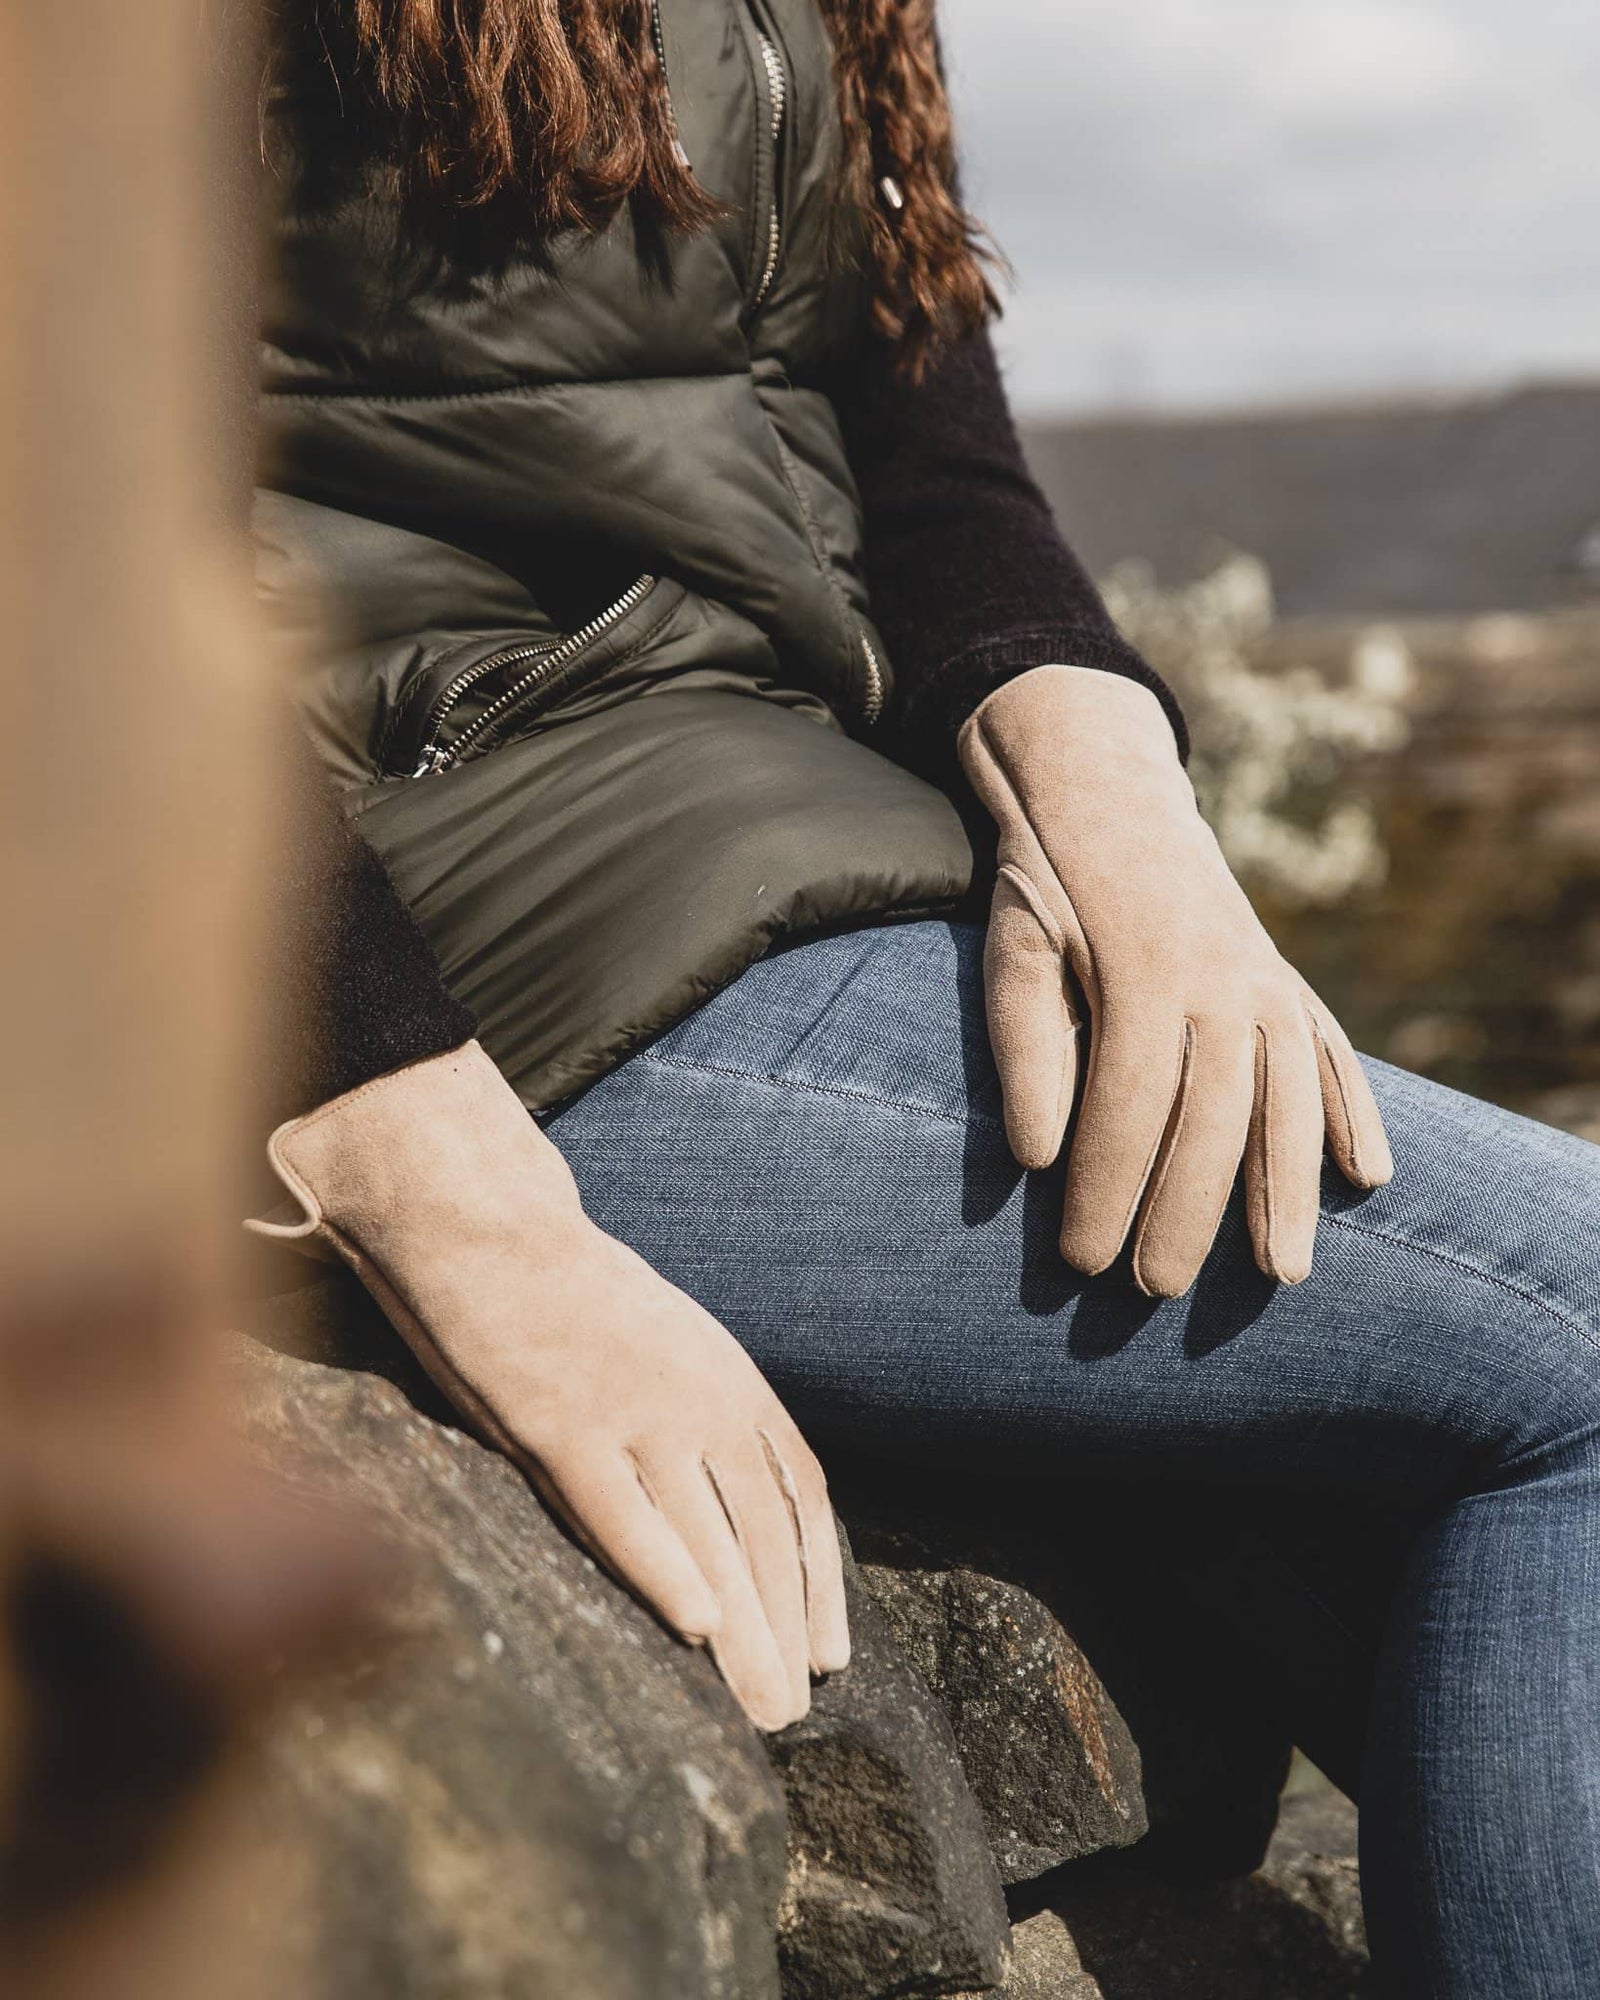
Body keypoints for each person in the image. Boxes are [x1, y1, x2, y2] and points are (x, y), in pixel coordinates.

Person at [246, 4, 1600, 1993]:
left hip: (799, 844)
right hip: (502, 927)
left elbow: (927, 446)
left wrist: (1112, 792)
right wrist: (429, 1162)